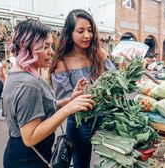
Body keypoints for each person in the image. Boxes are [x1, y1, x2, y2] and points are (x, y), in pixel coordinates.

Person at [2, 19, 95, 168]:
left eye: (51, 45)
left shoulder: (18, 74)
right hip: (28, 160)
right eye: (46, 46)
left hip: (24, 155)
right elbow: (30, 138)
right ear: (29, 47)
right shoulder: (27, 84)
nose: (52, 51)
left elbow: (40, 110)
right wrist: (68, 110)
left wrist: (70, 100)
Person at [50, 9, 115, 168]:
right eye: (81, 31)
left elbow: (114, 82)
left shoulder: (98, 54)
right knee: (81, 164)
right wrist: (79, 96)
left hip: (106, 118)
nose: (87, 35)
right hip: (80, 124)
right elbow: (65, 103)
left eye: (90, 30)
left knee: (113, 161)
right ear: (69, 33)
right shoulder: (61, 63)